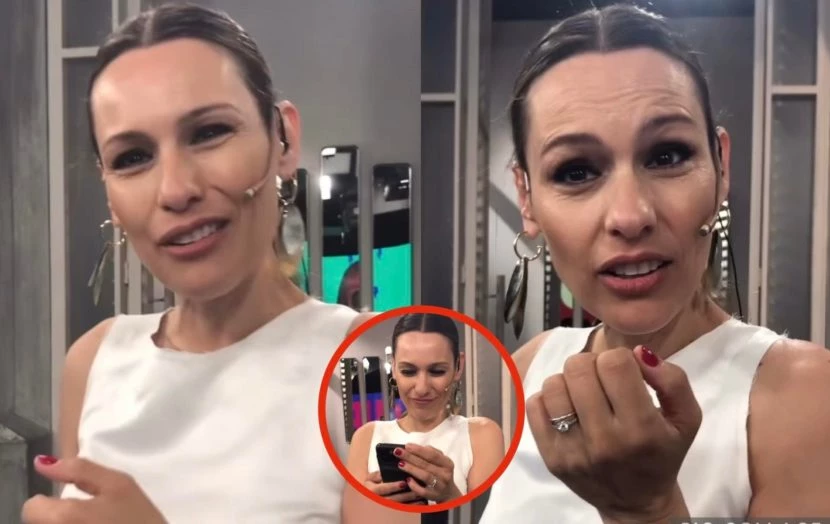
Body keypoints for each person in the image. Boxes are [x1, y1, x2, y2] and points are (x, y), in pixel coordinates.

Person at [20, 4, 415, 524]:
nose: (176, 190)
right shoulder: (93, 360)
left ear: (283, 141)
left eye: (208, 132)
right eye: (132, 158)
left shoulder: (373, 364)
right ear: (110, 194)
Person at [481, 5, 830, 523]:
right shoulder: (530, 366)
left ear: (721, 166)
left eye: (667, 156)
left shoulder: (807, 395)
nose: (630, 216)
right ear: (526, 197)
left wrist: (647, 508)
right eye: (576, 171)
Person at [344, 313, 505, 507]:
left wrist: (449, 496)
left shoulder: (482, 435)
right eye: (408, 371)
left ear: (458, 366)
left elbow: (490, 516)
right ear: (393, 366)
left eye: (437, 371)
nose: (421, 388)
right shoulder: (365, 437)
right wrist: (368, 507)